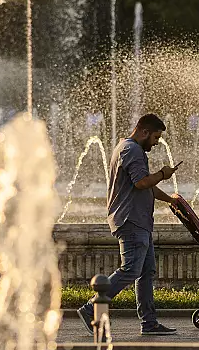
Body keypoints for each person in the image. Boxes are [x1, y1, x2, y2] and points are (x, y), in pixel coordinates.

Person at [77, 114, 180, 336]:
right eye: (155, 137)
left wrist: (170, 200)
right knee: (131, 270)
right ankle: (90, 308)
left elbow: (146, 187)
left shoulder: (129, 148)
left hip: (139, 221)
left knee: (145, 272)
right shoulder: (132, 150)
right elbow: (142, 182)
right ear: (143, 132)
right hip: (131, 220)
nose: (157, 142)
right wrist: (163, 173)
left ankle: (149, 323)